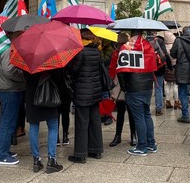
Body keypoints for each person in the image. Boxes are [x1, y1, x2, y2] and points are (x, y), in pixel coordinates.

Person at [117, 30, 157, 157]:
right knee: (146, 115)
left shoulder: (126, 47)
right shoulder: (148, 46)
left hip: (133, 87)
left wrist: (124, 88)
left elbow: (121, 71)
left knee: (139, 117)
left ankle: (142, 146)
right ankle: (151, 144)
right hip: (147, 86)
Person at [67, 29, 103, 164]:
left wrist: (70, 62)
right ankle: (96, 150)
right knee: (95, 121)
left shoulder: (80, 51)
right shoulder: (96, 50)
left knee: (82, 122)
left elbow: (74, 70)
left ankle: (80, 154)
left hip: (82, 91)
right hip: (95, 91)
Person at [0, 32, 26, 166]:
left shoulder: (3, 47)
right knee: (8, 122)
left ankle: (1, 150)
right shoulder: (8, 49)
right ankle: (2, 154)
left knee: (7, 121)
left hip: (8, 88)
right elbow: (9, 70)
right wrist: (23, 76)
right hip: (10, 89)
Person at [25, 70, 64, 174]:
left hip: (32, 97)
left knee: (33, 127)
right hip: (49, 95)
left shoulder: (28, 60)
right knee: (53, 127)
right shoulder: (52, 61)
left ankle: (36, 161)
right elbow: (59, 77)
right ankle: (52, 160)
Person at [109, 32, 137, 147]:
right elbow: (112, 69)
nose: (120, 45)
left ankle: (132, 135)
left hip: (129, 84)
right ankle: (120, 135)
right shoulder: (116, 53)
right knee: (122, 111)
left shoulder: (130, 52)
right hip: (120, 85)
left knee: (130, 112)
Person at [170, 27, 190, 123]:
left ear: (183, 32)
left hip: (182, 70)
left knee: (182, 92)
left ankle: (185, 115)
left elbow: (173, 54)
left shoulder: (178, 40)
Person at [148, 32, 169, 116]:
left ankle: (147, 108)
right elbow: (164, 54)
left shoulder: (143, 41)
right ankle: (158, 109)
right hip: (159, 68)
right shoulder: (159, 41)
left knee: (148, 89)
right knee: (159, 88)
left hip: (147, 68)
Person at [163, 31, 178, 109]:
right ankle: (176, 101)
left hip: (167, 67)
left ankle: (167, 101)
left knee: (167, 85)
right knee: (176, 85)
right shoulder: (174, 46)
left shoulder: (164, 47)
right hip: (175, 67)